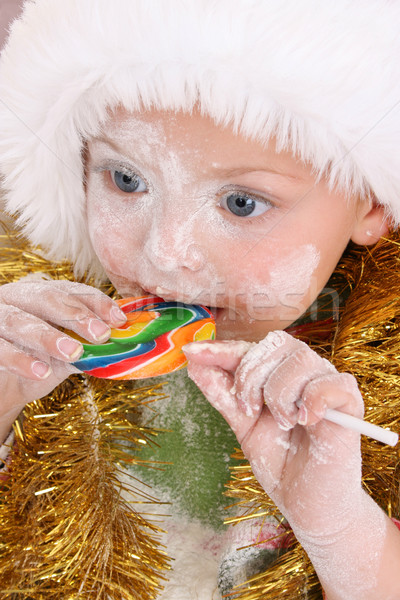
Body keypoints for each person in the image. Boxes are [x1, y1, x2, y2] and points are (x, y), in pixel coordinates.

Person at [0, 1, 399, 599]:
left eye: (242, 203)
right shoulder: (34, 330)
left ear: (371, 199)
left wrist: (340, 529)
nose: (164, 254)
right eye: (126, 179)